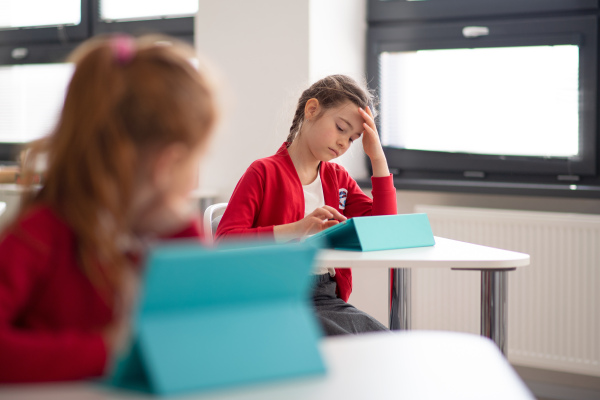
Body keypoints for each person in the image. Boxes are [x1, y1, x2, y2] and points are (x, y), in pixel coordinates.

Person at [0, 34, 218, 382]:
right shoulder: (42, 231)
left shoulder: (161, 234)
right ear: (168, 164)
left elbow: (209, 328)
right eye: (197, 158)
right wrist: (107, 351)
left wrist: (180, 229)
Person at [216, 75, 396, 336]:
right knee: (366, 352)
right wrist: (298, 228)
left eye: (353, 139)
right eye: (341, 128)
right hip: (274, 298)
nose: (344, 143)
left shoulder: (338, 179)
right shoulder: (263, 172)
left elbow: (386, 229)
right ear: (311, 110)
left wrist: (377, 157)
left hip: (324, 296)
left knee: (385, 345)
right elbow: (225, 241)